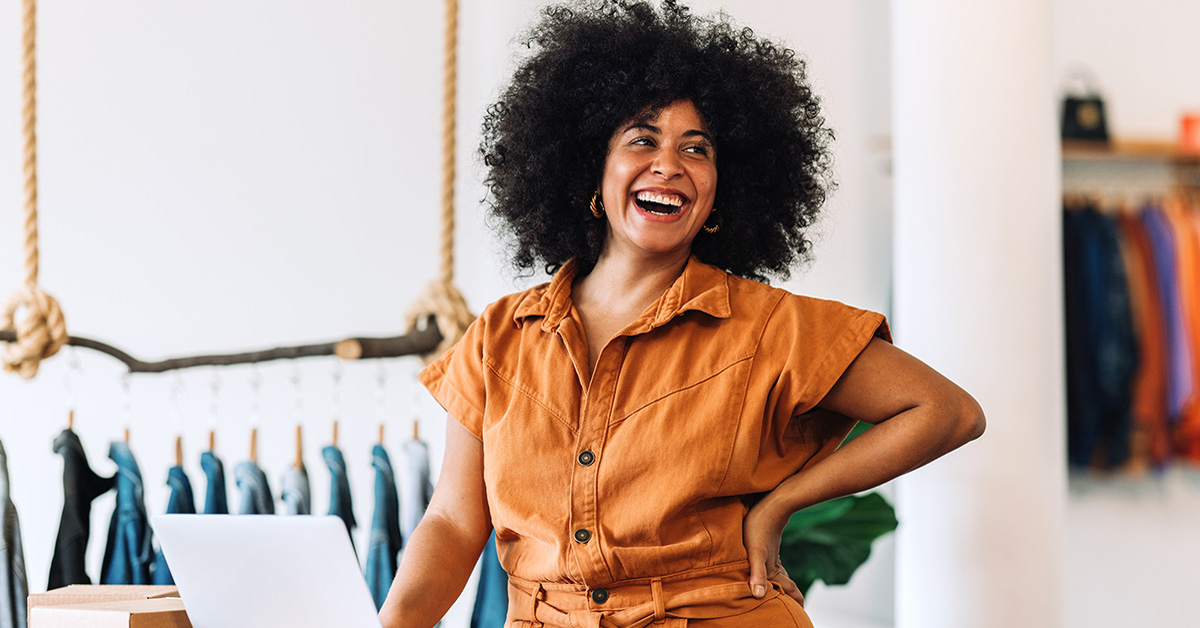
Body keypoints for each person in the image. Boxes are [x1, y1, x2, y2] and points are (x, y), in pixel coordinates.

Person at [378, 2, 985, 627]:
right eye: (643, 139)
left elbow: (948, 411)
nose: (669, 164)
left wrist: (781, 504)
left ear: (722, 188)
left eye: (697, 150)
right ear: (593, 167)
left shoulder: (767, 327)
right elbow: (452, 522)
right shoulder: (498, 338)